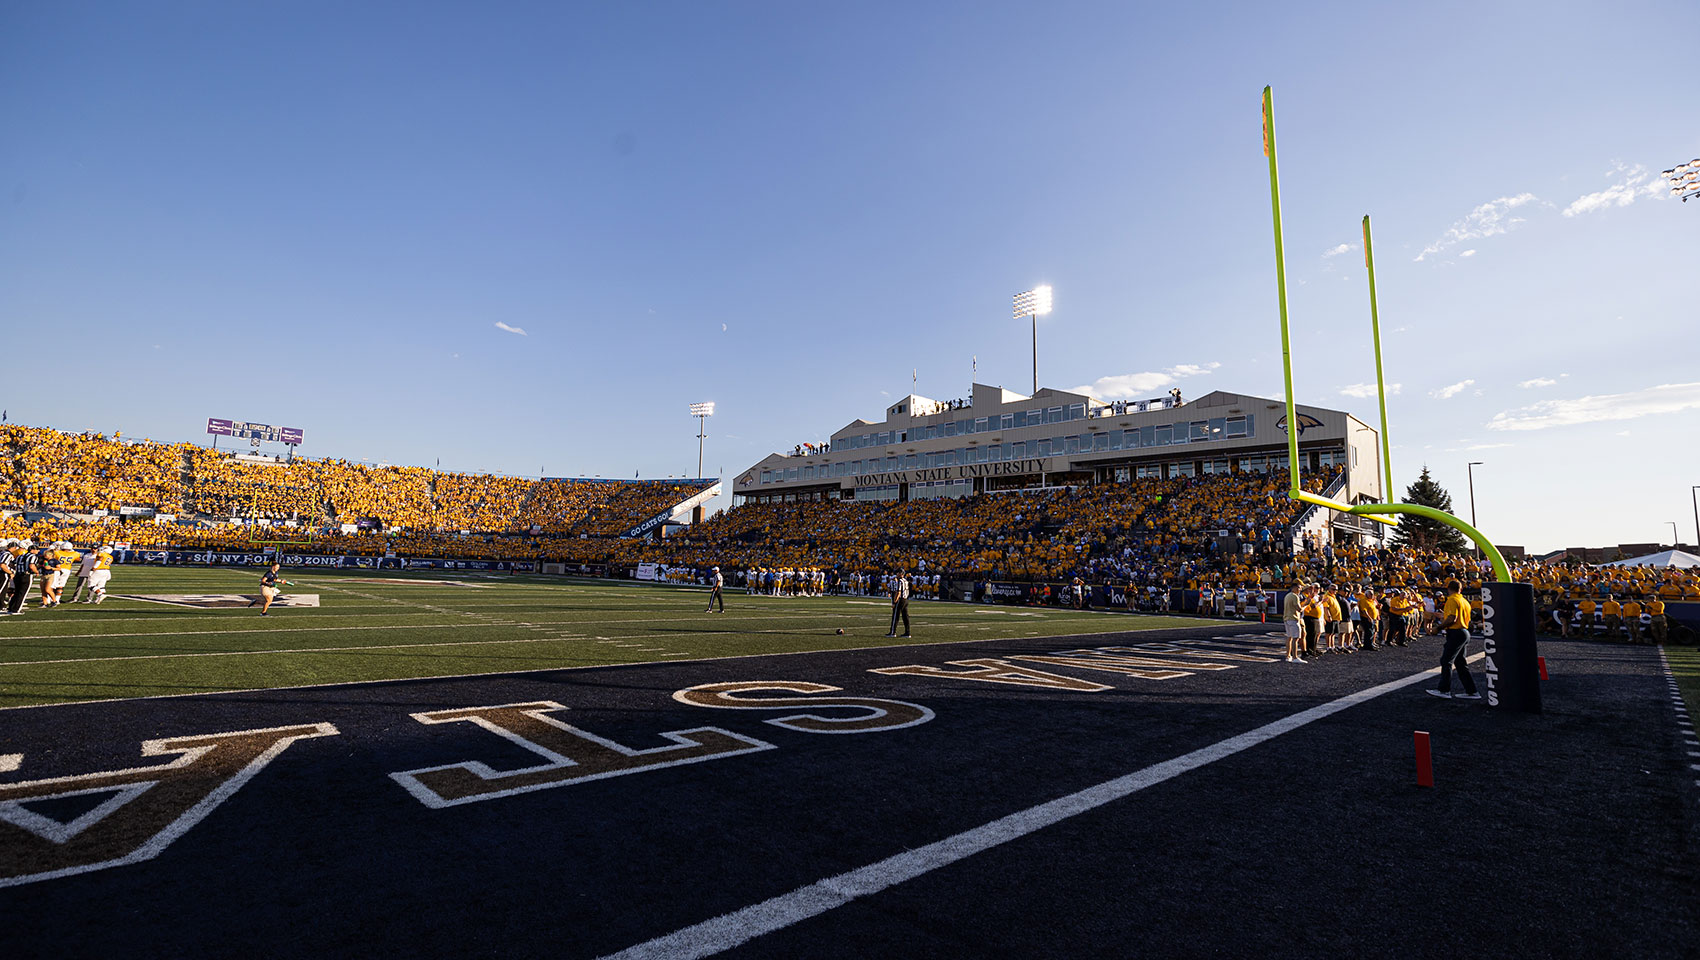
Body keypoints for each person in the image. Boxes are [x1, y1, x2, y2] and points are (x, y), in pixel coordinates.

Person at [1428, 579, 1481, 700]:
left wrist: (1438, 627)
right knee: (1461, 663)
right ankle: (1472, 691)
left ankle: (1444, 690)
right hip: (1464, 631)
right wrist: (1444, 616)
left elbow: (1452, 618)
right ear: (1460, 589)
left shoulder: (1452, 600)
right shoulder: (1464, 601)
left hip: (1456, 632)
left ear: (1448, 589)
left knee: (1446, 660)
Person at [8, 541, 39, 615]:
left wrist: (15, 570)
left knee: (16, 592)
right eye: (37, 549)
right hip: (26, 575)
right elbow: (31, 566)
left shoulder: (20, 556)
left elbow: (11, 563)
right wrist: (37, 572)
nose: (38, 551)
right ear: (32, 550)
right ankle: (16, 609)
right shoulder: (33, 556)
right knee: (22, 593)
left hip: (17, 575)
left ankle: (11, 608)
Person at [1282, 582, 1306, 663]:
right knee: (1295, 638)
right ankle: (1295, 657)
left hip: (1287, 618)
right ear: (1295, 588)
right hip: (1293, 618)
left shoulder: (1287, 595)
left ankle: (1288, 656)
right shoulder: (1295, 596)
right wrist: (1306, 604)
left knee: (1289, 637)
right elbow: (1299, 609)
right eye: (1299, 588)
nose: (1300, 590)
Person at [886, 569, 910, 638]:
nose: (897, 574)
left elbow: (898, 592)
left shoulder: (900, 581)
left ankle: (893, 632)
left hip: (900, 600)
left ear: (901, 574)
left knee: (895, 616)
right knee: (905, 616)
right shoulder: (905, 581)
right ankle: (907, 632)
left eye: (898, 573)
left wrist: (894, 602)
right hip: (905, 599)